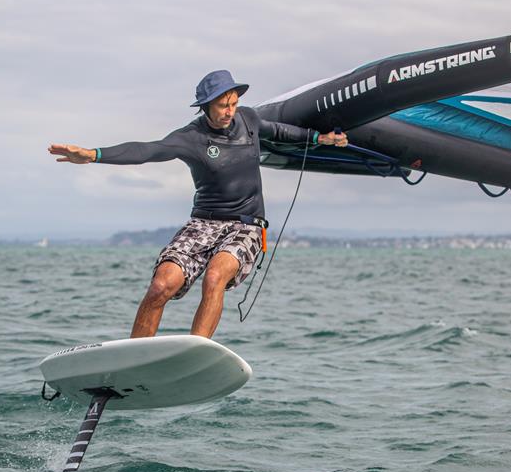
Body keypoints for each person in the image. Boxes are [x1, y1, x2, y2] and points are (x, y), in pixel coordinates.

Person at [48, 70, 348, 339]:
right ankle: (135, 355)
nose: (230, 111)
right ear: (206, 107)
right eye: (222, 106)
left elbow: (279, 132)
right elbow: (147, 150)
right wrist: (93, 154)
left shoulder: (248, 119)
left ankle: (195, 351)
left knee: (215, 276)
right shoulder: (191, 138)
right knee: (161, 285)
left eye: (232, 103)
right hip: (202, 223)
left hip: (247, 224)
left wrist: (319, 138)